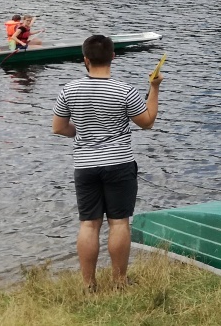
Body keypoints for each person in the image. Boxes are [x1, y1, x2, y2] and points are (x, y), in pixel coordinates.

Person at [52, 35, 162, 291]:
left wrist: (82, 133)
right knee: (119, 222)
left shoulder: (69, 90)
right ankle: (120, 281)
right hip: (119, 163)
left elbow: (59, 128)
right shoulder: (125, 91)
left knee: (89, 224)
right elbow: (147, 122)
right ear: (113, 56)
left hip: (85, 165)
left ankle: (88, 285)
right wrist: (154, 88)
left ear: (85, 59)